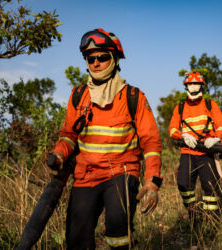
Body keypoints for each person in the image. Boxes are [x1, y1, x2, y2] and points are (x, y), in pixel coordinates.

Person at [47, 28, 162, 249]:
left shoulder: (133, 97)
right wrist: (60, 153)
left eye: (102, 57)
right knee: (76, 238)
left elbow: (151, 142)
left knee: (118, 231)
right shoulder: (78, 95)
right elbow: (69, 135)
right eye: (91, 58)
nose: (96, 63)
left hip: (121, 172)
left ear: (115, 58)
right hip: (85, 175)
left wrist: (151, 181)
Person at [168, 71, 222, 219]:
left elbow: (221, 126)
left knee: (211, 187)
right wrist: (182, 135)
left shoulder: (210, 104)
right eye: (190, 84)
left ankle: (211, 219)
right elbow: (172, 129)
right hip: (187, 152)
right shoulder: (180, 107)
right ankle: (193, 212)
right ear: (186, 86)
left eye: (196, 83)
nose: (193, 86)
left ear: (201, 85)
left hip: (207, 152)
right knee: (183, 184)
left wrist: (215, 138)